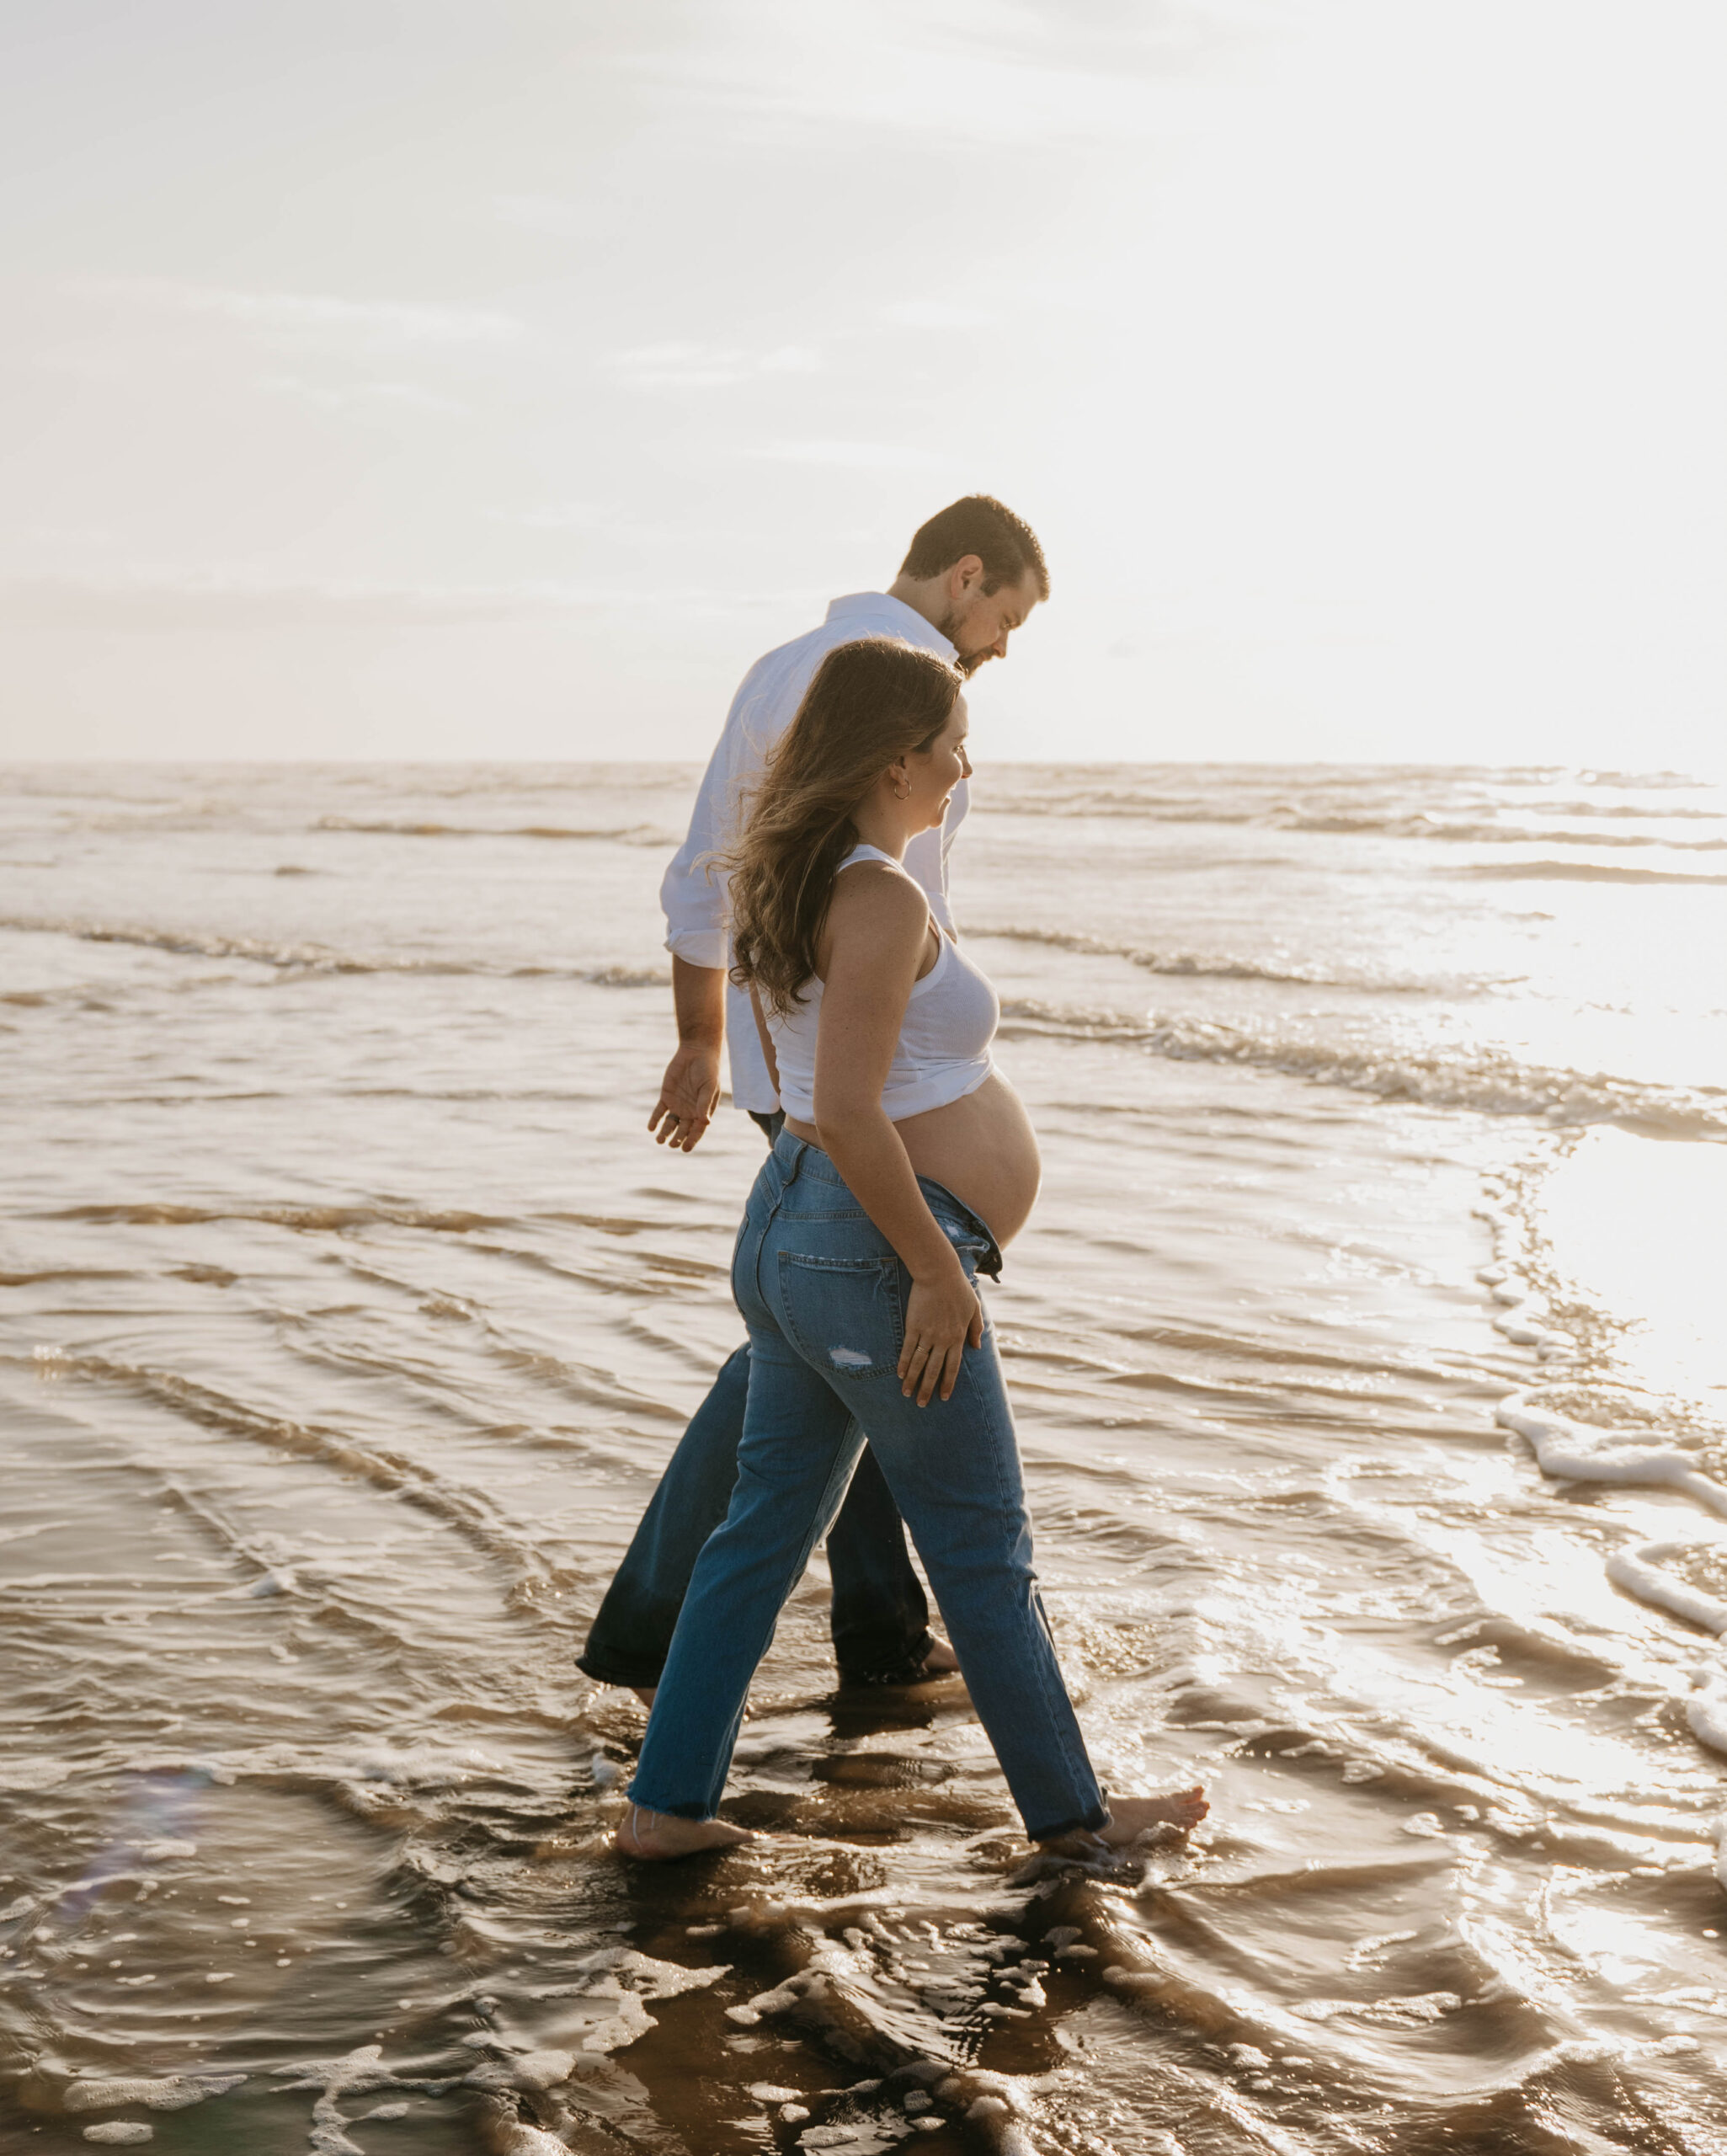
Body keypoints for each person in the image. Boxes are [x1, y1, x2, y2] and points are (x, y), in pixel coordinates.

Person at [613, 637, 1207, 1859]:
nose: (963, 764)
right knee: (983, 1549)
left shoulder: (796, 870)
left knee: (762, 1531)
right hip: (873, 1255)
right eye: (951, 743)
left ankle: (665, 1813)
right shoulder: (879, 892)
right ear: (898, 756)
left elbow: (811, 1101)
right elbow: (845, 1109)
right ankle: (1074, 1825)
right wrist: (939, 1275)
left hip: (794, 1232)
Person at [578, 497, 1049, 1700]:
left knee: (833, 1340)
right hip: (857, 1079)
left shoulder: (779, 670)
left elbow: (702, 876)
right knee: (868, 1326)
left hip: (817, 1055)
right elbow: (862, 904)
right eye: (1008, 612)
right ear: (964, 575)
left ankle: (827, 1632)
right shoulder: (905, 696)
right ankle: (696, 1625)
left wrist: (701, 1037)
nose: (1004, 644)